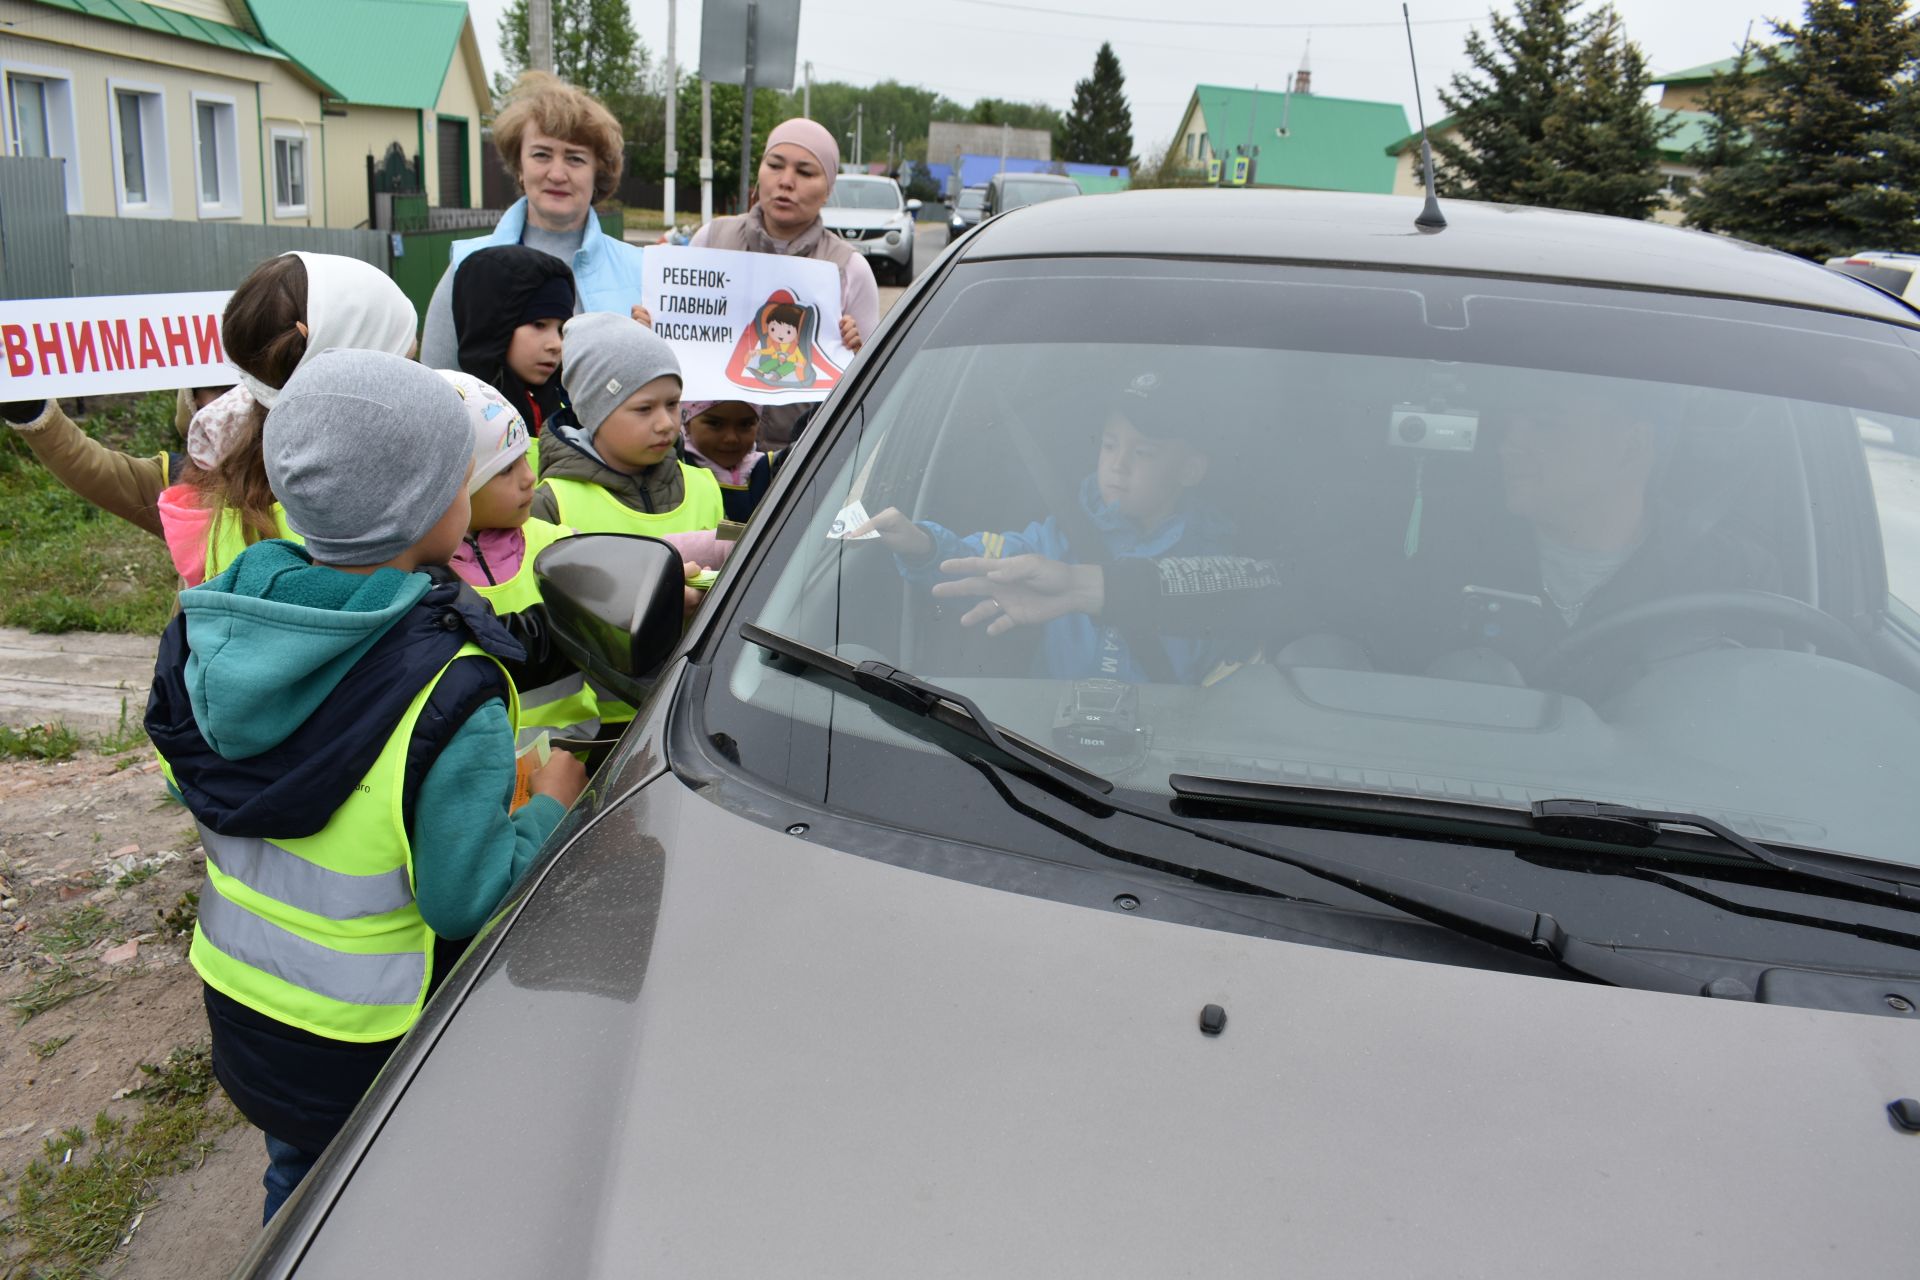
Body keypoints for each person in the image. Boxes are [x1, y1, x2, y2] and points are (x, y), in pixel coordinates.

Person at [145, 350, 587, 1223]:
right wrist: (549, 807)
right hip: (377, 1042)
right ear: (438, 504)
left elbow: (193, 778)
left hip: (244, 1007)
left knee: (298, 1193)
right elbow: (469, 900)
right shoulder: (448, 686)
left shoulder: (212, 628)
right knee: (389, 1213)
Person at [930, 382, 1775, 695]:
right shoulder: (1448, 560)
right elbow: (1287, 587)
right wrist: (1091, 588)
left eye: (1543, 423)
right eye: (1509, 422)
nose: (1508, 441)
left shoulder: (1738, 590)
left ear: (1634, 447)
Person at [2, 253, 417, 586]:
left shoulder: (377, 470)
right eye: (218, 389)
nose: (234, 401)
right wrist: (34, 414)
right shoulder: (192, 481)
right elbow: (96, 470)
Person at [856, 370, 1232, 683]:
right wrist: (925, 545)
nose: (1119, 464)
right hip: (1051, 744)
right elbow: (989, 557)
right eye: (1109, 445)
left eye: (1144, 452)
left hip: (1169, 744)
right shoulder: (1061, 536)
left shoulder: (1216, 564)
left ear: (1190, 470)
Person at [419, 72, 647, 370]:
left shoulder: (641, 271)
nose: (556, 173)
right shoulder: (467, 265)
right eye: (541, 155)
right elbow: (440, 384)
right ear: (519, 168)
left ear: (598, 173)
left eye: (575, 158)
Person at [691, 118, 879, 447]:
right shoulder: (711, 239)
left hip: (799, 465)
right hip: (704, 458)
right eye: (775, 165)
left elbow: (870, 384)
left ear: (828, 189)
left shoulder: (849, 268)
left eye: (805, 172)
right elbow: (680, 338)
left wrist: (858, 350)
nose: (786, 181)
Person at [439, 370, 598, 747]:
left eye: (525, 458)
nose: (529, 479)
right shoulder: (425, 576)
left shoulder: (561, 544)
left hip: (575, 757)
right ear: (455, 486)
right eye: (505, 469)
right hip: (481, 771)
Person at [451, 245, 578, 460]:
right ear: (493, 325)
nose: (556, 344)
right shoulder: (460, 417)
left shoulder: (572, 405)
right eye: (539, 324)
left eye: (561, 329)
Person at [681, 399, 778, 523]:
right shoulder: (675, 473)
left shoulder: (772, 469)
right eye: (715, 424)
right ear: (687, 424)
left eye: (745, 425)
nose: (731, 438)